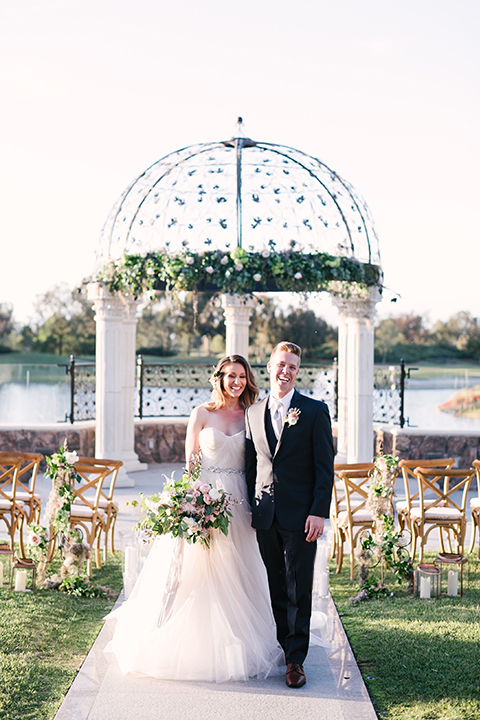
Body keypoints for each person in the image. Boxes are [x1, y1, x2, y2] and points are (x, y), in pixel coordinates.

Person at [107, 354, 283, 682]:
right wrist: (194, 504)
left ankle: (241, 641)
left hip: (240, 502)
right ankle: (196, 640)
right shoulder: (201, 413)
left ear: (248, 380)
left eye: (242, 376)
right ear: (219, 377)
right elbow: (191, 465)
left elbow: (263, 460)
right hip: (206, 498)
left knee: (239, 570)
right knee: (196, 571)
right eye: (230, 375)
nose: (236, 382)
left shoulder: (252, 415)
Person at [245, 341, 334, 688]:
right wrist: (252, 506)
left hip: (301, 516)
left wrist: (318, 512)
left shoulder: (314, 411)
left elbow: (324, 468)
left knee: (299, 587)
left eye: (292, 367)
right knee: (275, 585)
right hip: (266, 513)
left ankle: (296, 660)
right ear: (269, 366)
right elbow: (251, 464)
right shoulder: (253, 412)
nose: (286, 371)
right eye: (281, 364)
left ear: (298, 372)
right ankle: (284, 647)